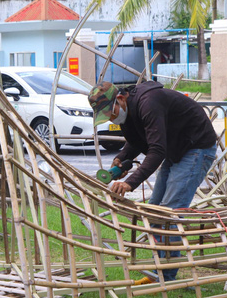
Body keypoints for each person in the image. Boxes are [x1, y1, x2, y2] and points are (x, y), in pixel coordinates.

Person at [88, 80, 217, 281]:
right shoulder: (127, 112)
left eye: (110, 113)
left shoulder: (148, 103)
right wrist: (121, 159)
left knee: (170, 212)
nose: (110, 119)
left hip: (196, 147)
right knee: (154, 209)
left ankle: (166, 276)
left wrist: (130, 182)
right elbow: (136, 141)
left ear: (120, 99)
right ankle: (160, 271)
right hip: (176, 148)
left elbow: (157, 150)